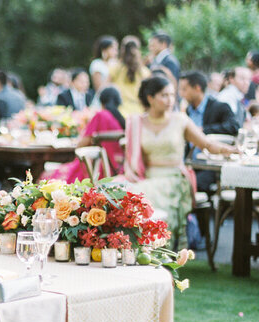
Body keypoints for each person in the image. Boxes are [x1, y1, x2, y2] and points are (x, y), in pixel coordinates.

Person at [124, 75, 233, 248]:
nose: (170, 100)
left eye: (172, 95)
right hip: (145, 177)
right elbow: (131, 158)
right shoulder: (136, 122)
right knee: (117, 193)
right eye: (164, 95)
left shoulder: (180, 120)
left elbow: (207, 144)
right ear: (150, 98)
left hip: (174, 177)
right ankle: (131, 251)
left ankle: (157, 252)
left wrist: (227, 149)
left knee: (144, 196)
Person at [179, 70, 239, 192]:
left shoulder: (219, 106)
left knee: (191, 186)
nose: (181, 94)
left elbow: (234, 126)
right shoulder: (188, 110)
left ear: (197, 88)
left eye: (184, 89)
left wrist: (203, 130)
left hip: (212, 167)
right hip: (191, 164)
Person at [50, 85, 125, 183]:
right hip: (117, 168)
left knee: (49, 175)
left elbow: (83, 143)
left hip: (99, 168)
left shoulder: (100, 115)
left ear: (101, 101)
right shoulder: (120, 119)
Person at [109, 36, 150, 116]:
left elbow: (106, 88)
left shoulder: (115, 68)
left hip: (119, 111)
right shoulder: (145, 72)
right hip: (139, 111)